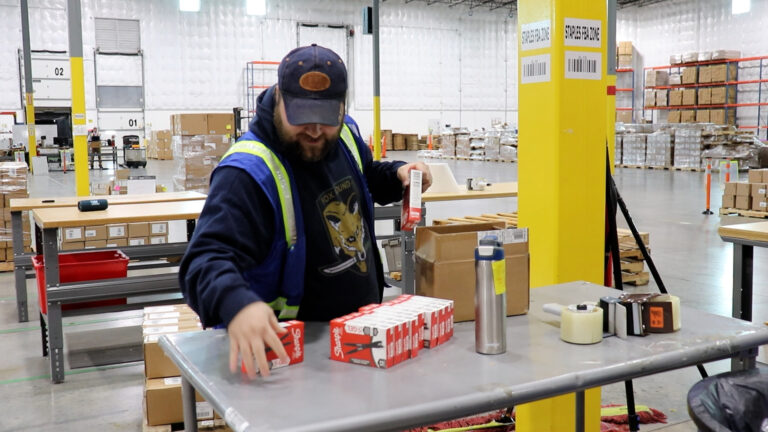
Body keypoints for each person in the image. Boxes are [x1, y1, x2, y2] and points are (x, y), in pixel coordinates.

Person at [179, 44, 432, 379]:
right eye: (301, 115)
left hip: (359, 339)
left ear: (342, 108)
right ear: (279, 99)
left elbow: (365, 176)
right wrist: (237, 304)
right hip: (294, 360)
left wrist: (398, 174)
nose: (314, 130)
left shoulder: (344, 134)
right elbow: (203, 261)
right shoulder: (247, 172)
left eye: (326, 118)